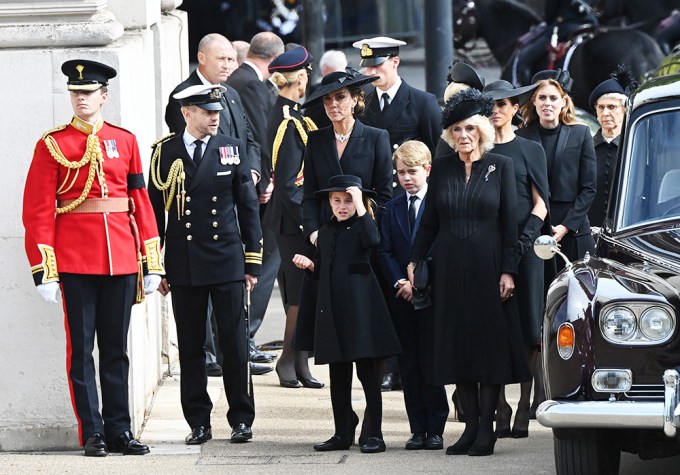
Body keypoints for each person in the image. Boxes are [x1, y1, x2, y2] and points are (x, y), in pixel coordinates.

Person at [22, 59, 164, 457]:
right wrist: (44, 270)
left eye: (88, 93)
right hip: (73, 261)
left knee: (117, 350)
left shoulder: (126, 140)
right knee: (81, 351)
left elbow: (140, 201)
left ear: (104, 96)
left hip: (120, 258)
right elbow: (36, 211)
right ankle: (93, 432)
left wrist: (151, 259)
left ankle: (121, 430)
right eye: (75, 93)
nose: (81, 98)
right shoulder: (53, 144)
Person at [408, 88, 531, 456]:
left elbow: (511, 225)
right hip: (447, 272)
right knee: (457, 349)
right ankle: (470, 426)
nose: (463, 136)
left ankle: (487, 430)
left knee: (487, 350)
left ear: (482, 130)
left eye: (470, 129)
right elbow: (428, 223)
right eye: (457, 131)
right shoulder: (443, 168)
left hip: (489, 270)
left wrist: (509, 271)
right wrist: (414, 261)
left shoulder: (502, 167)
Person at [148, 84, 263, 445]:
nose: (215, 116)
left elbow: (248, 205)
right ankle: (198, 420)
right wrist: (157, 266)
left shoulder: (230, 147)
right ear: (187, 113)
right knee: (193, 345)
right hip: (185, 262)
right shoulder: (164, 153)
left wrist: (252, 261)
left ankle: (241, 418)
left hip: (227, 258)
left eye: (217, 110)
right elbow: (154, 215)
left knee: (234, 344)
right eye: (207, 111)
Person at [164, 33, 272, 376]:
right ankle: (209, 351)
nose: (229, 65)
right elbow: (188, 153)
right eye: (221, 59)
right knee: (202, 287)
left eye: (231, 59)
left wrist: (252, 172)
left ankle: (238, 344)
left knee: (234, 280)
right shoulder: (182, 96)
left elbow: (249, 139)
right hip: (204, 203)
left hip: (236, 197)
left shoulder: (233, 95)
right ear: (201, 59)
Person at [352, 36, 442, 391]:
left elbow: (438, 156)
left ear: (395, 63)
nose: (371, 73)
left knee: (416, 284)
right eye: (367, 67)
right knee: (386, 283)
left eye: (377, 65)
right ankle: (391, 363)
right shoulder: (364, 105)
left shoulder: (421, 103)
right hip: (378, 208)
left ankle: (414, 367)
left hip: (413, 208)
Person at [292, 175, 401, 454]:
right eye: (337, 201)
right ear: (329, 203)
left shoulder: (365, 226)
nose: (342, 206)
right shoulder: (325, 233)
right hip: (333, 311)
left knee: (367, 374)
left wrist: (362, 208)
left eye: (348, 201)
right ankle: (343, 430)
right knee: (338, 375)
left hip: (362, 311)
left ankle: (374, 431)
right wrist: (310, 265)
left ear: (359, 202)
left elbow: (373, 239)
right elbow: (324, 270)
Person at [518, 69, 596, 417]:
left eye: (553, 97)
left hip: (572, 235)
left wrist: (565, 226)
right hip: (536, 232)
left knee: (573, 310)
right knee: (538, 313)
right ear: (533, 102)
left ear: (564, 101)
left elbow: (589, 188)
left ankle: (573, 382)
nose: (547, 103)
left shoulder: (580, 134)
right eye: (541, 98)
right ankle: (537, 390)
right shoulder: (524, 136)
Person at [484, 80, 549, 439]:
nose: (496, 110)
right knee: (495, 328)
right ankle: (500, 406)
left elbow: (541, 204)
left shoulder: (530, 148)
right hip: (489, 248)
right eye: (490, 104)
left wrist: (523, 241)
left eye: (503, 103)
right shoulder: (478, 149)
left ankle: (525, 402)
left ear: (514, 108)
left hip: (527, 251)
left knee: (529, 329)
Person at [377, 140, 449, 451]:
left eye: (413, 172)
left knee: (431, 360)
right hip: (403, 297)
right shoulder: (392, 207)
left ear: (427, 170)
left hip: (431, 293)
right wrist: (399, 281)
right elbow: (385, 250)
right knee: (409, 364)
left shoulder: (440, 202)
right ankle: (416, 427)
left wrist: (420, 281)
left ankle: (436, 426)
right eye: (401, 173)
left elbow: (441, 246)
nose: (407, 178)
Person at [262, 45, 323, 389]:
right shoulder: (288, 121)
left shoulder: (295, 115)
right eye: (307, 75)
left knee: (306, 294)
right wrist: (308, 224)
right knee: (299, 296)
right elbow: (286, 184)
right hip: (292, 222)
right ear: (300, 77)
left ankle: (300, 360)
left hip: (294, 219)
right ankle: (287, 359)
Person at [228, 32, 286, 366]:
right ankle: (245, 336)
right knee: (263, 262)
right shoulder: (250, 83)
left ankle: (245, 336)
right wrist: (267, 180)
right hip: (259, 190)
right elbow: (262, 137)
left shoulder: (245, 80)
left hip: (254, 185)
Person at [587, 65, 637, 230]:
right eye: (601, 107)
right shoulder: (584, 149)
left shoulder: (636, 149)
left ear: (625, 110)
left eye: (612, 107)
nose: (605, 113)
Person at [304, 50, 349, 129]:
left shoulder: (317, 90)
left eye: (341, 97)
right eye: (327, 98)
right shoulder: (355, 85)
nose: (334, 103)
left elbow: (310, 121)